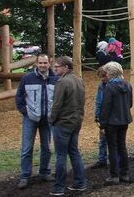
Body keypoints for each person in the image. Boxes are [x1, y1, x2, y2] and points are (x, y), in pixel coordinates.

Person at [14, 53, 58, 189]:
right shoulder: (27, 78)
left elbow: (58, 98)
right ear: (36, 64)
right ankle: (24, 176)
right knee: (27, 148)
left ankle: (44, 172)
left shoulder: (55, 79)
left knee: (46, 148)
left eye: (45, 63)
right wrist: (25, 111)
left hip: (47, 119)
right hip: (30, 118)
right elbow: (19, 96)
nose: (43, 65)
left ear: (49, 63)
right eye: (40, 63)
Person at [49, 56, 86, 195]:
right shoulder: (79, 80)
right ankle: (80, 183)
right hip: (75, 123)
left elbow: (57, 105)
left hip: (63, 123)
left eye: (57, 66)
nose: (55, 68)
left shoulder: (62, 82)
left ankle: (59, 188)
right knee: (74, 152)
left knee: (61, 156)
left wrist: (52, 120)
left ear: (66, 67)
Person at [99, 61, 133, 184]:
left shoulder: (109, 87)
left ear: (110, 73)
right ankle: (125, 174)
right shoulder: (128, 85)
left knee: (112, 148)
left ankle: (114, 176)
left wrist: (102, 125)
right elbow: (130, 104)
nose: (105, 75)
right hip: (124, 120)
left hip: (112, 122)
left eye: (106, 72)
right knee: (122, 146)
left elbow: (105, 107)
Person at [91, 66, 109, 169]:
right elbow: (98, 100)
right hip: (102, 115)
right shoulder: (101, 86)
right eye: (100, 77)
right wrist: (97, 115)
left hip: (111, 116)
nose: (102, 79)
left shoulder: (113, 85)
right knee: (102, 139)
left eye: (103, 76)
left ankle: (116, 160)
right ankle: (102, 159)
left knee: (113, 139)